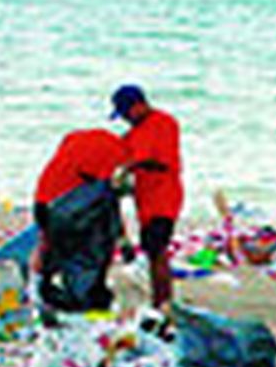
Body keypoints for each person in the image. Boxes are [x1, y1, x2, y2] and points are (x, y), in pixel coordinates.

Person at [32, 128, 127, 307]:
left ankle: (44, 287)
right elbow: (109, 199)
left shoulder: (76, 141)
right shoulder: (115, 154)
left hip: (43, 202)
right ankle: (81, 295)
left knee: (52, 247)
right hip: (65, 209)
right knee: (88, 249)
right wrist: (123, 239)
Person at [111, 85, 183, 309]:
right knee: (152, 253)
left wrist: (132, 164)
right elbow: (119, 156)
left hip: (164, 198)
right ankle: (159, 300)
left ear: (139, 105)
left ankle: (164, 301)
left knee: (157, 250)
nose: (125, 119)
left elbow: (160, 161)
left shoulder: (165, 123)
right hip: (145, 201)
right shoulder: (132, 134)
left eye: (125, 113)